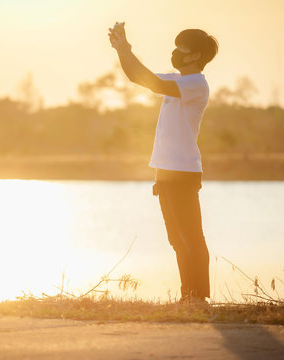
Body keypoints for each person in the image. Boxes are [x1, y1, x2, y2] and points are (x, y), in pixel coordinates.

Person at [108, 23, 218, 303]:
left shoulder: (195, 84)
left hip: (183, 171)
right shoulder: (178, 81)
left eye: (182, 49)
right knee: (176, 239)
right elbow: (136, 76)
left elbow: (151, 82)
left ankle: (199, 297)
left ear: (195, 56)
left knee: (191, 236)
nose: (175, 52)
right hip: (165, 172)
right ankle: (188, 296)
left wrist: (125, 49)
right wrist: (123, 49)